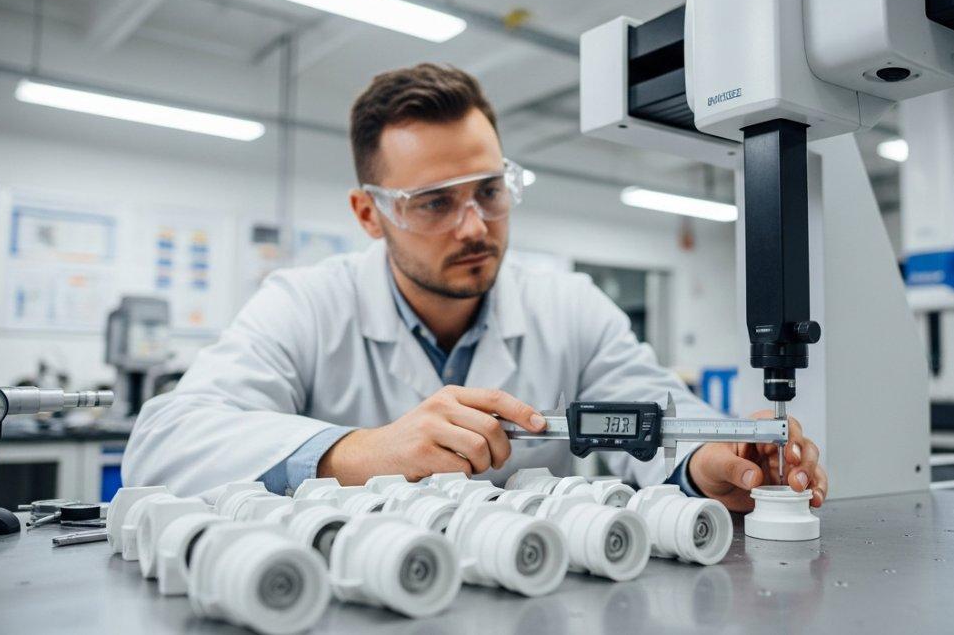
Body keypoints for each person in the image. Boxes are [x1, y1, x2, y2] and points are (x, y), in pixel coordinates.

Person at [122, 63, 828, 512]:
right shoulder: (306, 305)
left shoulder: (569, 307)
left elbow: (662, 418)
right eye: (433, 203)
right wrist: (359, 453)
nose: (473, 227)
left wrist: (717, 463)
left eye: (490, 191)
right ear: (370, 214)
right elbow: (164, 441)